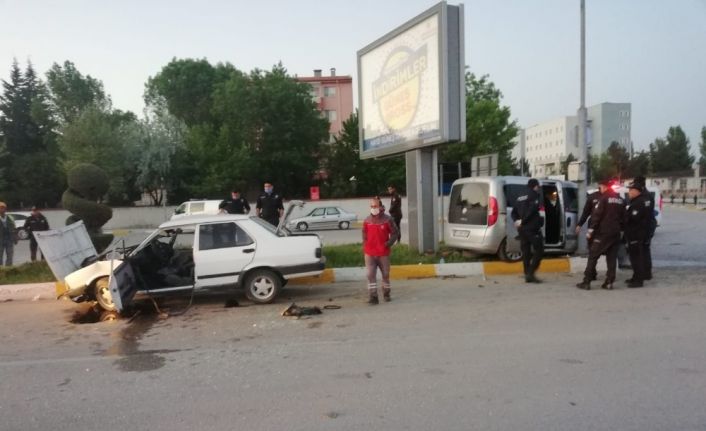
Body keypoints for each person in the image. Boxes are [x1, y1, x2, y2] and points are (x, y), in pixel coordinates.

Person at [576, 179, 626, 290]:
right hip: (616, 233)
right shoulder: (621, 200)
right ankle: (609, 282)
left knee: (593, 255)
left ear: (603, 186)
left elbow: (596, 216)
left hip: (603, 232)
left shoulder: (603, 198)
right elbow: (624, 218)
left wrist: (590, 231)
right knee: (612, 258)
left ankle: (586, 282)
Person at [362, 196, 399, 304]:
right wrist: (365, 245)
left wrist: (388, 244)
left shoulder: (388, 219)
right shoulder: (367, 220)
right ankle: (373, 297)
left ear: (381, 207)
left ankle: (386, 294)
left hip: (383, 253)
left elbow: (395, 233)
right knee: (370, 275)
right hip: (370, 253)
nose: (373, 208)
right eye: (371, 206)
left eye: (375, 206)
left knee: (386, 274)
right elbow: (364, 233)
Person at [510, 178, 544, 283]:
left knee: (526, 252)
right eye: (537, 186)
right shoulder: (533, 195)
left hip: (522, 229)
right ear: (535, 186)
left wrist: (517, 221)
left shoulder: (520, 196)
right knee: (539, 250)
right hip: (532, 228)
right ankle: (530, 273)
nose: (538, 188)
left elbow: (513, 212)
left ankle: (526, 274)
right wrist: (524, 221)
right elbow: (532, 210)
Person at [624, 182, 651, 288]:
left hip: (635, 233)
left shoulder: (637, 203)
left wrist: (625, 217)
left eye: (631, 190)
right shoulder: (642, 200)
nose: (629, 192)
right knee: (635, 256)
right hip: (639, 232)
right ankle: (635, 277)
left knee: (636, 258)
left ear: (637, 191)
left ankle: (638, 280)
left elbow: (633, 218)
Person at [0, 202, 18, 266]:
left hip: (9, 240)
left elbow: (14, 228)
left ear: (5, 209)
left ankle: (8, 268)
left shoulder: (10, 218)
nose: (1, 210)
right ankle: (1, 270)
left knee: (10, 255)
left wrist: (15, 238)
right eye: (0, 208)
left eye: (3, 208)